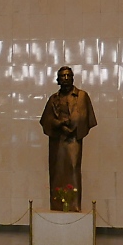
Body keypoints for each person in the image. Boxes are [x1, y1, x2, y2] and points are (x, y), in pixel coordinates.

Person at [38, 66, 97, 212]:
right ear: (57, 80)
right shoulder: (54, 99)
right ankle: (57, 205)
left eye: (68, 76)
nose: (65, 79)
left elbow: (85, 116)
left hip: (73, 140)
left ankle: (73, 205)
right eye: (62, 76)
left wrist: (72, 126)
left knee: (73, 169)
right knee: (56, 171)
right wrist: (58, 124)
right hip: (57, 140)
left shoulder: (82, 96)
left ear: (72, 78)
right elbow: (45, 120)